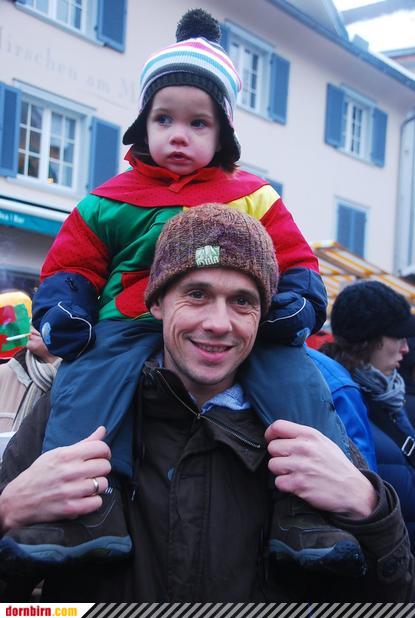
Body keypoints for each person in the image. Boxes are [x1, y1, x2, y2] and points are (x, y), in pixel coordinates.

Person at [25, 8, 347, 570]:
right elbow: (73, 263)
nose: (179, 134)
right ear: (142, 125)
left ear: (223, 134)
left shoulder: (253, 196)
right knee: (84, 386)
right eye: (164, 118)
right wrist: (66, 308)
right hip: (126, 320)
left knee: (296, 379)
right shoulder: (108, 200)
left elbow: (296, 259)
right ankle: (80, 507)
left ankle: (308, 508)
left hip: (245, 327)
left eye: (199, 123)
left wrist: (297, 302)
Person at [0, 205, 412, 602]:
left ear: (263, 314)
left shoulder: (308, 420)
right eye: (197, 294)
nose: (218, 323)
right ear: (157, 303)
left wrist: (370, 509)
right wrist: (6, 513)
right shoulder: (74, 408)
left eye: (243, 301)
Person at [321, 280, 415, 550]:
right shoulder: (338, 402)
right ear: (368, 340)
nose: (406, 348)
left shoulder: (387, 395)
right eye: (397, 337)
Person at [306, 346, 377, 471]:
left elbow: (362, 473)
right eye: (397, 338)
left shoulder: (337, 383)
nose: (405, 349)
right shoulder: (336, 382)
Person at [0, 327, 60, 433]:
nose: (33, 322)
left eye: (44, 318)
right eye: (33, 318)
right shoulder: (3, 374)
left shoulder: (83, 382)